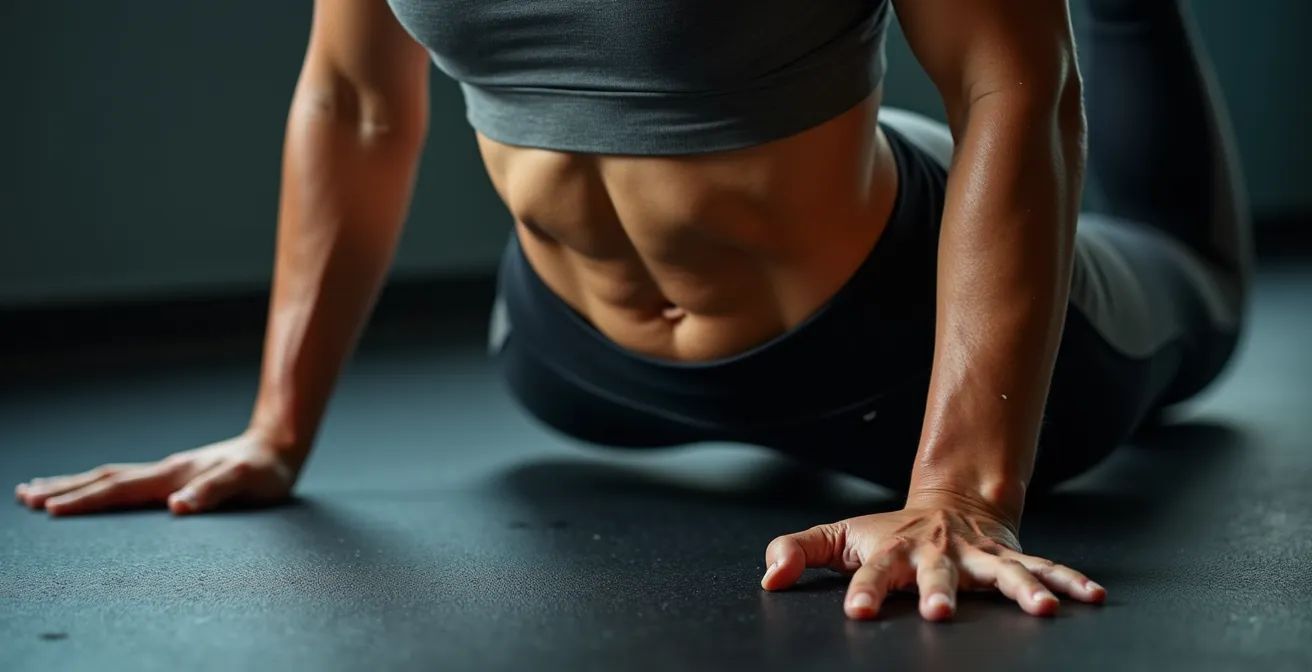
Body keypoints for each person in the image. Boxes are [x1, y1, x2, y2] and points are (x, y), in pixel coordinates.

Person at [15, 0, 1249, 623]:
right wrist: (276, 431)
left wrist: (960, 491)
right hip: (572, 360)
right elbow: (354, 100)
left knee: (1178, 273)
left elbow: (1013, 90)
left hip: (912, 337)